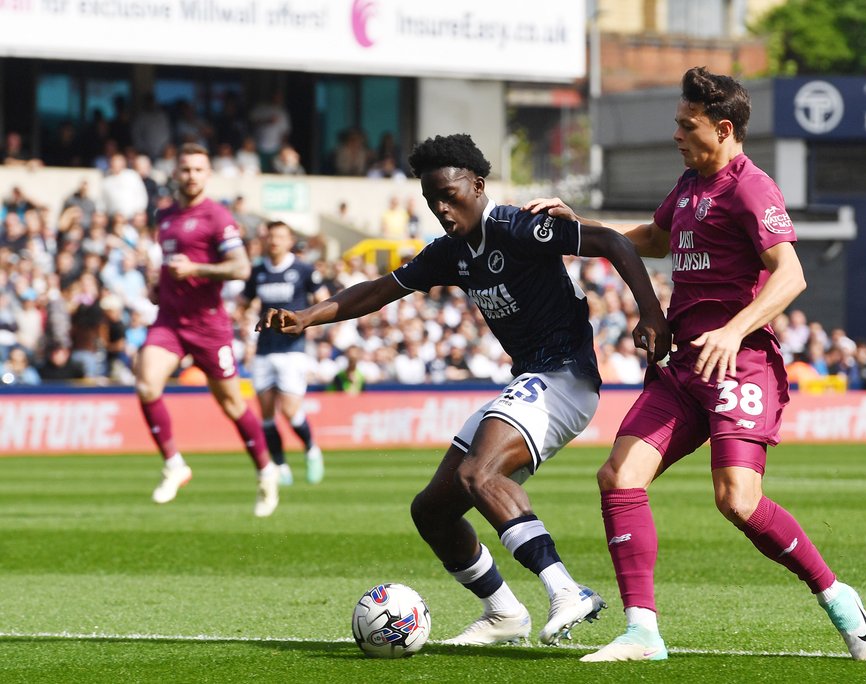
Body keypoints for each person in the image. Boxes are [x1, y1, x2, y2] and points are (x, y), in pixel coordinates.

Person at [525, 66, 866, 663]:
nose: (676, 136)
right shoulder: (691, 182)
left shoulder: (750, 186)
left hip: (739, 366)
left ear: (721, 127)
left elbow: (790, 273)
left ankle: (836, 594)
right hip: (683, 367)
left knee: (736, 499)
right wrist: (575, 231)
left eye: (685, 126)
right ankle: (643, 632)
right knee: (618, 477)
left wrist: (734, 330)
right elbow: (655, 240)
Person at [259, 133, 669, 647]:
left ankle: (567, 591)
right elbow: (379, 289)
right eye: (432, 200)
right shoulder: (451, 253)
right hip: (530, 381)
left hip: (565, 377)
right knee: (432, 510)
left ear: (477, 185)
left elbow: (613, 242)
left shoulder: (518, 226)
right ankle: (503, 614)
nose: (441, 208)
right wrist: (305, 317)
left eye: (449, 195)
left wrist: (651, 315)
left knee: (479, 473)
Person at [135, 142, 279, 517]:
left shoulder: (217, 217)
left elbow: (241, 267)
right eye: (185, 169)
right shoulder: (164, 216)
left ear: (207, 174)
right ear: (175, 173)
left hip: (207, 326)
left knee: (232, 404)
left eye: (198, 170)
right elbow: (171, 263)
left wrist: (196, 271)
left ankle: (266, 471)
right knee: (147, 384)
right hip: (169, 320)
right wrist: (160, 285)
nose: (191, 176)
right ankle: (174, 465)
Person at [243, 220, 329, 487]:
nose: (274, 241)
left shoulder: (303, 270)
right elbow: (244, 304)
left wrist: (312, 324)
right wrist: (245, 321)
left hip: (293, 349)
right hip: (264, 348)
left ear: (290, 240)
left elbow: (323, 298)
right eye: (271, 236)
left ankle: (311, 449)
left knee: (291, 411)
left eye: (280, 236)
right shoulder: (258, 271)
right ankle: (280, 464)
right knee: (266, 413)